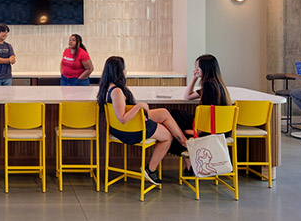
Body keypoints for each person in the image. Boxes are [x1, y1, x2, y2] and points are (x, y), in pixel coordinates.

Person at [96, 56, 187, 186]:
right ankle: (150, 169)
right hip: (128, 131)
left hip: (125, 127)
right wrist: (139, 106)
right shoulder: (116, 91)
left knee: (164, 113)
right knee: (167, 135)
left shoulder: (109, 87)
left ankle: (183, 141)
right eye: (124, 68)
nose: (126, 71)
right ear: (119, 71)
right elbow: (122, 119)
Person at [172, 54, 233, 169]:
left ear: (206, 69)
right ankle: (189, 164)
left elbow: (208, 112)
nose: (195, 70)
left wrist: (198, 132)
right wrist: (194, 78)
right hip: (222, 130)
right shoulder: (216, 84)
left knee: (174, 116)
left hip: (210, 130)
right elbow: (187, 96)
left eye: (197, 68)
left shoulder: (209, 85)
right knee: (176, 119)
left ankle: (190, 164)